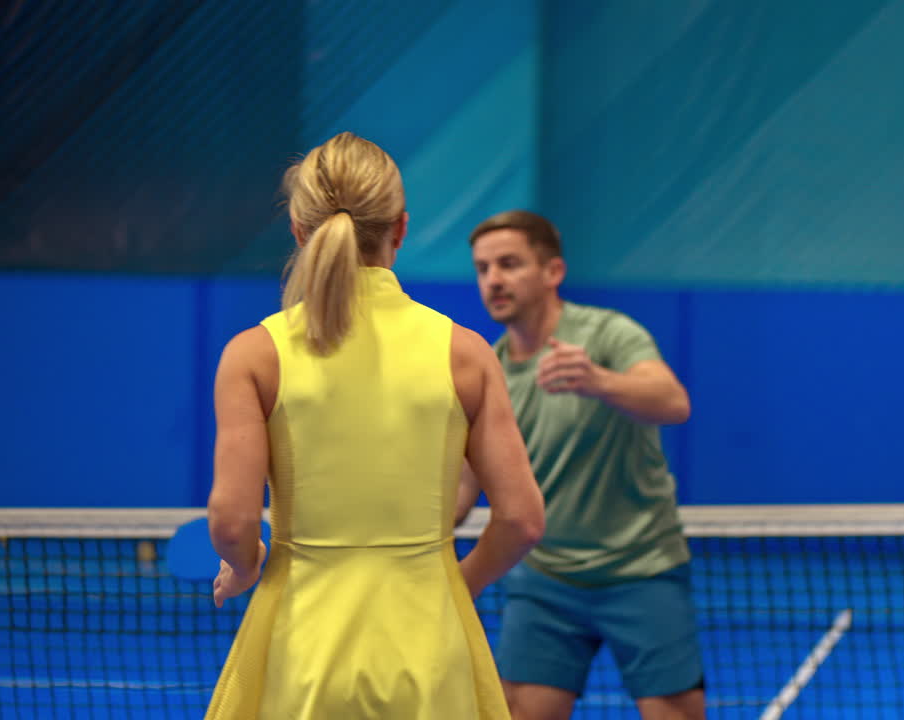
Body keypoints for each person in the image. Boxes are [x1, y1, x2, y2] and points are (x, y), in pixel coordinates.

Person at [204, 133, 545, 720]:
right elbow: (521, 519)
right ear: (400, 229)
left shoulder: (253, 355)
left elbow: (232, 523)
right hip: (430, 650)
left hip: (298, 650)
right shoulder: (465, 354)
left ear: (297, 229)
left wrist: (243, 566)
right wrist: (457, 584)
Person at [457, 210, 705, 720]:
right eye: (483, 269)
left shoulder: (609, 334)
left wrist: (598, 380)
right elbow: (462, 490)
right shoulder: (490, 371)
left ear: (553, 272)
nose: (494, 280)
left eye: (509, 264)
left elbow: (674, 401)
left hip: (641, 568)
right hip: (545, 580)